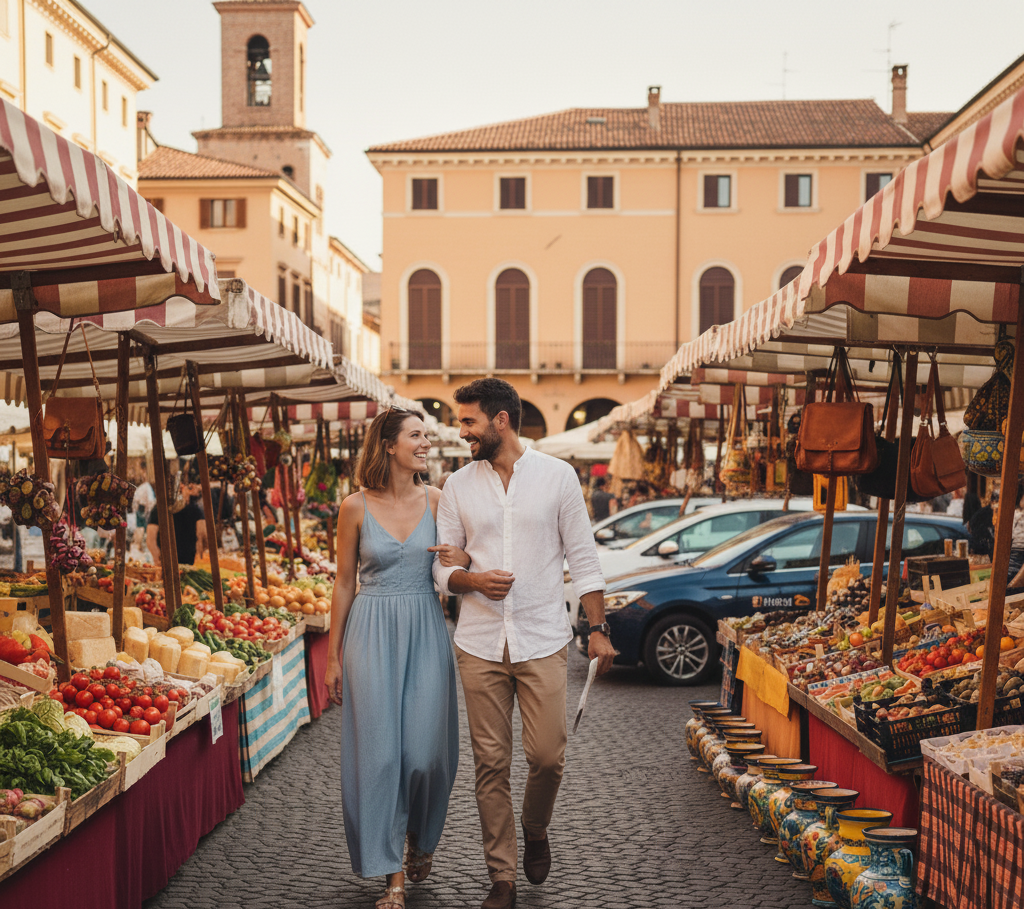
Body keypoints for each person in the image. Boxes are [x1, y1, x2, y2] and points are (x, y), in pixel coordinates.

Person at [432, 378, 615, 909]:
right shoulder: (458, 485)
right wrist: (473, 581)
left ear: (501, 421)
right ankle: (502, 877)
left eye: (468, 421)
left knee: (547, 756)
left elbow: (583, 557)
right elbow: (443, 569)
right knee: (490, 763)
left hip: (542, 638)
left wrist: (599, 629)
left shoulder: (559, 477)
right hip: (479, 643)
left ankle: (536, 828)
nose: (461, 430)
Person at [325, 407, 464, 909]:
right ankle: (392, 875)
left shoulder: (439, 499)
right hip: (370, 630)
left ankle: (422, 839)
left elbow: (463, 559)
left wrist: (460, 563)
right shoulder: (354, 506)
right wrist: (333, 656)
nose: (425, 443)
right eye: (416, 435)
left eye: (426, 435)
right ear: (388, 445)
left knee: (426, 755)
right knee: (379, 756)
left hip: (426, 628)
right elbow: (343, 582)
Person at [147, 470, 206, 567]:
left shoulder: (159, 508)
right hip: (186, 562)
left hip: (170, 562)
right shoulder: (195, 509)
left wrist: (157, 558)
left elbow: (150, 539)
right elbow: (202, 535)